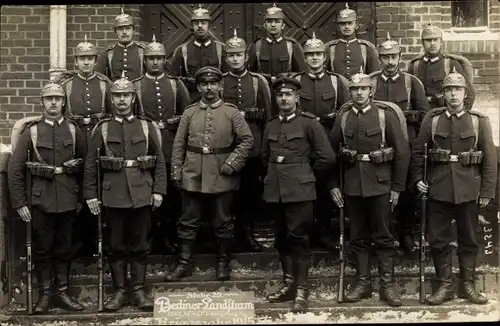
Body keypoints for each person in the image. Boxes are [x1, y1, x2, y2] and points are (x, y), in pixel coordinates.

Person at [410, 69, 497, 305]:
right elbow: (419, 152)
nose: (453, 95)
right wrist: (418, 178)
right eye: (449, 90)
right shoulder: (433, 119)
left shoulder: (479, 121)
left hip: (470, 189)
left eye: (458, 90)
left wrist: (487, 192)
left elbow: (490, 159)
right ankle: (445, 285)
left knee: (469, 238)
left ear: (465, 93)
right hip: (438, 187)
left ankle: (466, 285)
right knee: (438, 238)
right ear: (444, 94)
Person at [83, 71, 167, 312]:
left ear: (133, 98)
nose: (121, 100)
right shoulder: (103, 129)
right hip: (113, 194)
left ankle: (139, 291)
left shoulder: (146, 126)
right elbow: (91, 164)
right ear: (111, 99)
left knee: (140, 244)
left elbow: (159, 161)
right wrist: (90, 195)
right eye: (117, 95)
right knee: (116, 245)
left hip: (142, 192)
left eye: (126, 95)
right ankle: (120, 291)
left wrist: (159, 190)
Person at [329, 71, 410, 307]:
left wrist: (397, 187)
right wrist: (333, 184)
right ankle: (362, 283)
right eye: (354, 90)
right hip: (353, 187)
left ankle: (388, 285)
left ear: (371, 91)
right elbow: (330, 154)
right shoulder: (343, 118)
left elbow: (402, 153)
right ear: (349, 92)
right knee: (358, 237)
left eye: (363, 89)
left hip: (381, 185)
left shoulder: (386, 116)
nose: (359, 93)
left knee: (384, 236)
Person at [167, 66, 254, 282]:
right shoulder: (189, 112)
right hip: (193, 173)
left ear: (220, 85)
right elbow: (179, 144)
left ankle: (223, 263)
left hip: (221, 173)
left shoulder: (231, 112)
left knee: (223, 221)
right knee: (188, 220)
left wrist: (231, 164)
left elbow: (247, 140)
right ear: (198, 87)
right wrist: (176, 171)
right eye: (204, 84)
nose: (209, 88)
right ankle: (184, 264)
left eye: (213, 83)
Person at [8, 81, 85, 314]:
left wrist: (81, 197)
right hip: (40, 202)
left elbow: (85, 167)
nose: (53, 103)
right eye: (49, 99)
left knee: (64, 248)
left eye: (58, 99)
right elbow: (15, 169)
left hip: (69, 200)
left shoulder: (74, 130)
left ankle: (62, 293)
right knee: (43, 250)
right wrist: (20, 202)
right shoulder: (31, 131)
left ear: (64, 102)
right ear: (42, 102)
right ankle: (45, 295)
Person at [262, 77, 336, 313]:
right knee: (281, 238)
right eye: (280, 95)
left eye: (288, 95)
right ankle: (289, 284)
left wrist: (307, 175)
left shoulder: (309, 124)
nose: (284, 99)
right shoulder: (271, 125)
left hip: (301, 190)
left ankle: (302, 289)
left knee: (299, 238)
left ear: (296, 98)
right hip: (276, 191)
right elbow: (265, 157)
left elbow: (327, 157)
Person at [369, 33, 430, 253]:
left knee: (405, 192)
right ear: (379, 58)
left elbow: (425, 116)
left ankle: (406, 234)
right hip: (379, 148)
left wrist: (416, 144)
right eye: (385, 57)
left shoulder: (411, 83)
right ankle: (383, 235)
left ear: (400, 56)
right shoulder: (371, 82)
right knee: (380, 191)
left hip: (406, 145)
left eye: (394, 56)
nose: (390, 62)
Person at [133, 35, 191, 255]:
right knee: (146, 195)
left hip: (171, 147)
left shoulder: (176, 85)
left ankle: (168, 236)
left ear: (165, 60)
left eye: (159, 58)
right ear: (144, 61)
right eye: (150, 58)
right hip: (145, 148)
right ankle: (148, 237)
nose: (155, 62)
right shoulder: (135, 86)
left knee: (171, 197)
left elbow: (187, 116)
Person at [293, 32, 350, 251]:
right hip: (303, 143)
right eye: (310, 55)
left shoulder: (337, 81)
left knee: (327, 188)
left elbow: (345, 113)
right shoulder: (297, 81)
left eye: (318, 54)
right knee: (304, 190)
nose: (315, 58)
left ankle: (324, 233)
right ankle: (305, 233)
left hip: (328, 141)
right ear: (305, 58)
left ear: (325, 58)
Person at [58, 35, 113, 257]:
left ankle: (100, 240)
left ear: (96, 60)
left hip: (98, 140)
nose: (86, 63)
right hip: (75, 140)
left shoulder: (105, 83)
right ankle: (79, 241)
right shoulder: (67, 85)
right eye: (82, 58)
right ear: (76, 61)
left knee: (98, 186)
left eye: (90, 58)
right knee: (77, 187)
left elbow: (112, 114)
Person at [221, 29, 272, 252]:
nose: (235, 59)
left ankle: (248, 233)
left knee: (250, 193)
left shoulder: (257, 82)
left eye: (239, 54)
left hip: (252, 147)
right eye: (231, 55)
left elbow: (268, 117)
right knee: (227, 194)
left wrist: (264, 148)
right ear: (226, 58)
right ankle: (227, 236)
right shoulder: (220, 83)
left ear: (246, 57)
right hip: (227, 148)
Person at [247, 3, 306, 115]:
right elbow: (250, 75)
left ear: (283, 25)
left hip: (286, 94)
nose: (273, 25)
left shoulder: (292, 46)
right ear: (265, 24)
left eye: (277, 21)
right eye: (269, 21)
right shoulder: (256, 46)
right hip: (264, 96)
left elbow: (301, 75)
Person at [407, 22, 475, 111]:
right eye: (428, 40)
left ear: (441, 41)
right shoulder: (415, 65)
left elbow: (469, 95)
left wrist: (458, 116)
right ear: (422, 42)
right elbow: (407, 94)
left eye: (435, 39)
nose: (432, 43)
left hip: (444, 115)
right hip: (421, 116)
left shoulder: (450, 63)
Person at [169, 5, 226, 103]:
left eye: (203, 23)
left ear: (209, 25)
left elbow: (227, 78)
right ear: (192, 26)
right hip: (191, 101)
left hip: (217, 101)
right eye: (196, 23)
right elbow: (175, 82)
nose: (200, 26)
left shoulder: (221, 49)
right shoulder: (182, 50)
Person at [324, 3, 380, 80]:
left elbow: (375, 75)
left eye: (350, 23)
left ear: (356, 25)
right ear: (338, 26)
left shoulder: (367, 47)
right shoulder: (329, 48)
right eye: (343, 24)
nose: (346, 26)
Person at [96, 7, 147, 81]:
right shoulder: (108, 53)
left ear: (133, 30)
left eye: (128, 28)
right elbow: (99, 77)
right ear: (115, 31)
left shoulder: (142, 51)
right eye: (120, 28)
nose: (124, 32)